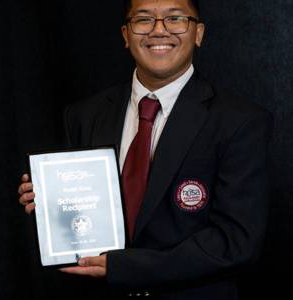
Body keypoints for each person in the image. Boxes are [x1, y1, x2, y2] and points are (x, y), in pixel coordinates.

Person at [18, 0, 273, 299]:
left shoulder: (240, 122)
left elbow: (236, 242)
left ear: (199, 33)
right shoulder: (84, 115)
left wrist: (126, 268)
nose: (158, 30)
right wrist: (48, 201)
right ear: (126, 35)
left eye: (175, 18)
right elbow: (79, 214)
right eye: (144, 20)